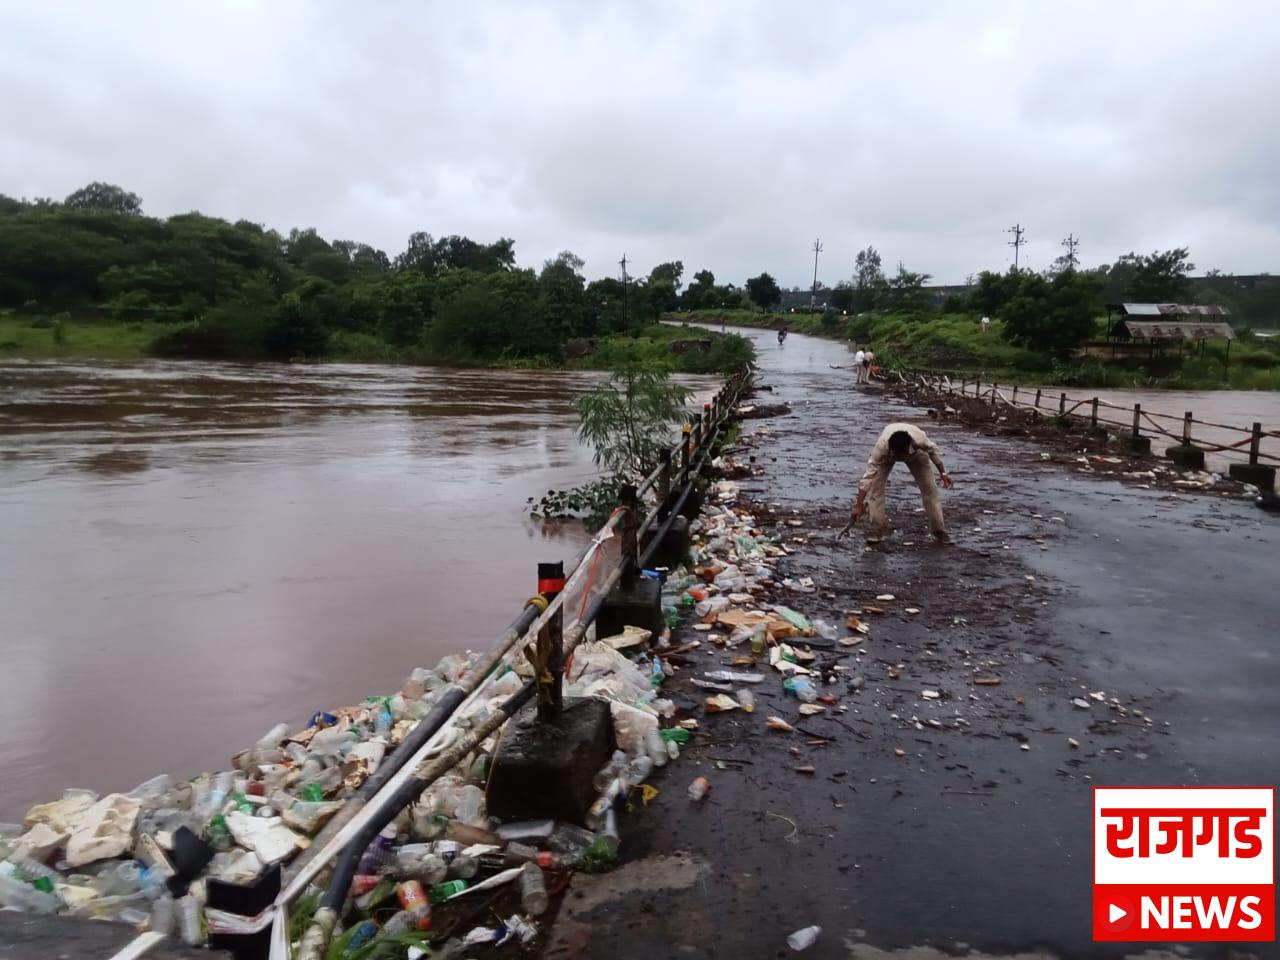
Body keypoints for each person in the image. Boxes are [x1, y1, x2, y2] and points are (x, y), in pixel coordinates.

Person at [840, 423, 954, 543]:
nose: (901, 457)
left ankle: (939, 531)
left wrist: (943, 473)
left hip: (916, 455)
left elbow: (933, 453)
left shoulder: (920, 441)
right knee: (875, 490)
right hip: (887, 457)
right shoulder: (881, 448)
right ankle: (876, 530)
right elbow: (867, 478)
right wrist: (858, 505)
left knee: (930, 490)